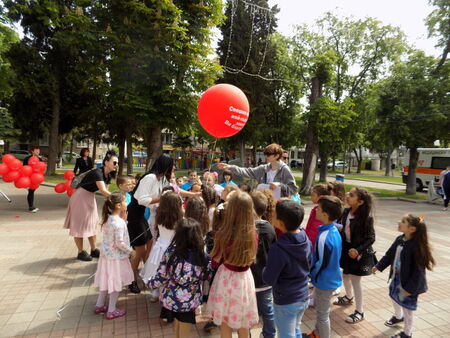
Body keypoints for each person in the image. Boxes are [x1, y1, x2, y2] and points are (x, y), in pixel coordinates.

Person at [372, 214, 435, 338]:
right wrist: (378, 266)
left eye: (403, 221)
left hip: (409, 285)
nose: (398, 222)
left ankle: (407, 333)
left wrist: (410, 289)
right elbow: (389, 254)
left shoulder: (417, 247)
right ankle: (398, 317)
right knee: (394, 296)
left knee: (408, 309)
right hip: (397, 279)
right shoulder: (400, 239)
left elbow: (419, 272)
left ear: (412, 229)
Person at [208, 191, 259, 337]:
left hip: (226, 279)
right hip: (244, 279)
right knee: (243, 322)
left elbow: (215, 261)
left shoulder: (223, 233)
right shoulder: (253, 233)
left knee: (225, 322)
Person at [148, 218, 210, 337]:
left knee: (177, 326)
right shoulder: (201, 255)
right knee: (184, 330)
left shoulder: (171, 251)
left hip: (172, 298)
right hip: (190, 301)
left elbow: (161, 276)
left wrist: (150, 283)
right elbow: (206, 275)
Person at [263, 199, 310, 338]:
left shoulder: (278, 248)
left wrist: (264, 270)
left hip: (286, 301)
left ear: (281, 223)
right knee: (295, 330)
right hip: (303, 295)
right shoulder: (305, 238)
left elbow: (269, 279)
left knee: (286, 335)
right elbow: (310, 262)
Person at [127, 153, 173, 293]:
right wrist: (162, 198)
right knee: (139, 251)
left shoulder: (161, 179)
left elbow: (171, 190)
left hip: (143, 216)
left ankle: (148, 276)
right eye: (172, 165)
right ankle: (130, 279)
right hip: (135, 216)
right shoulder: (150, 177)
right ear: (166, 166)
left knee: (149, 246)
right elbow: (142, 199)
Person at [64, 150, 118, 261]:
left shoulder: (107, 175)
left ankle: (93, 250)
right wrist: (118, 198)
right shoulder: (97, 172)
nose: (116, 165)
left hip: (89, 197)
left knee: (92, 223)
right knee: (79, 225)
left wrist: (111, 202)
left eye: (117, 163)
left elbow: (105, 194)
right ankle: (81, 251)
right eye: (114, 162)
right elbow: (103, 190)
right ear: (106, 162)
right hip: (80, 197)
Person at [333, 187, 377, 324]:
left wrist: (358, 250)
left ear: (360, 202)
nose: (347, 195)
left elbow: (371, 238)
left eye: (351, 195)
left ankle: (360, 311)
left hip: (358, 253)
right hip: (346, 250)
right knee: (345, 275)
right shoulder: (346, 211)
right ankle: (348, 297)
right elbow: (340, 227)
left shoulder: (366, 218)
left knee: (355, 281)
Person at [303, 196, 343, 338]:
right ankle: (316, 333)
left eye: (318, 208)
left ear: (325, 215)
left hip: (324, 281)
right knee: (321, 311)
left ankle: (322, 335)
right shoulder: (333, 231)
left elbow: (320, 263)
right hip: (330, 278)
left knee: (322, 315)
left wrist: (311, 275)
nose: (316, 210)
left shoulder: (324, 237)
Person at [93, 192, 133, 320]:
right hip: (116, 258)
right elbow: (119, 242)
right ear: (119, 205)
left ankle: (99, 305)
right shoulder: (119, 223)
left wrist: (124, 220)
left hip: (106, 257)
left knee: (106, 280)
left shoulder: (108, 219)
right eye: (125, 201)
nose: (126, 203)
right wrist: (130, 250)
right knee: (115, 283)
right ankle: (111, 310)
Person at [141, 191, 183, 304]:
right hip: (172, 247)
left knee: (156, 269)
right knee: (168, 271)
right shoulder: (179, 218)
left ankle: (155, 293)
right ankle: (165, 294)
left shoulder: (159, 215)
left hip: (160, 246)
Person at [218, 143, 298, 199]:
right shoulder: (263, 168)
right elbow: (246, 172)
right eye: (265, 153)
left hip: (278, 206)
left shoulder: (285, 169)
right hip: (264, 204)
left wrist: (280, 185)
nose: (266, 156)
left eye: (268, 154)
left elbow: (293, 189)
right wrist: (230, 167)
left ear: (277, 155)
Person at [250, 191, 277, 338]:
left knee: (247, 311)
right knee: (268, 311)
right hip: (266, 279)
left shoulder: (247, 228)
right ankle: (269, 334)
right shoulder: (270, 228)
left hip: (249, 278)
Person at [304, 184, 330, 249]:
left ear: (320, 197)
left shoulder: (321, 212)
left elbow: (315, 230)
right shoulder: (316, 209)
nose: (311, 197)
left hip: (312, 243)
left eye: (313, 195)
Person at [23, 146, 43, 213]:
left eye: (38, 150)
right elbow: (24, 168)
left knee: (32, 191)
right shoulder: (27, 158)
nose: (38, 151)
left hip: (36, 178)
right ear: (32, 151)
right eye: (36, 150)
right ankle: (31, 207)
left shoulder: (39, 159)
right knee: (31, 191)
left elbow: (41, 169)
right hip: (29, 178)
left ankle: (31, 206)